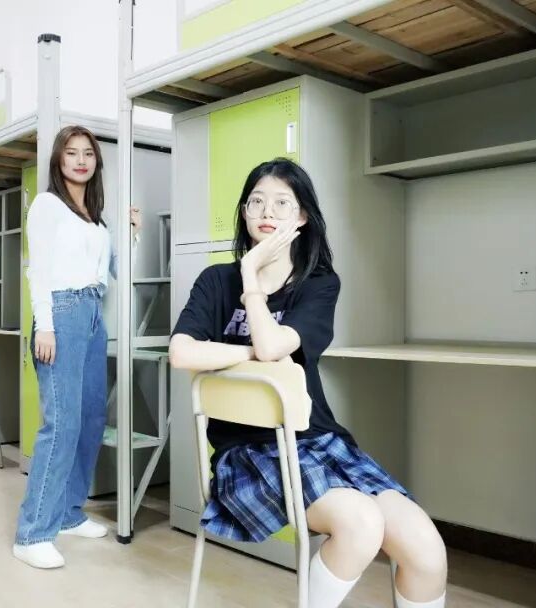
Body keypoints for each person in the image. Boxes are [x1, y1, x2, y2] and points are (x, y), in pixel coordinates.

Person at [169, 158, 447, 607]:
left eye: (282, 203)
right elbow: (183, 352)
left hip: (320, 442)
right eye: (256, 201)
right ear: (244, 212)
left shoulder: (318, 285)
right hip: (247, 455)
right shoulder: (217, 281)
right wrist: (250, 285)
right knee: (360, 524)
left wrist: (246, 349)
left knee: (426, 551)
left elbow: (273, 345)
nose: (267, 211)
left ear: (301, 217)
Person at [13, 125, 140, 569]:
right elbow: (38, 270)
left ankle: (68, 513)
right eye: (72, 153)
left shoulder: (96, 218)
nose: (81, 160)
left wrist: (131, 232)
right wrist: (45, 328)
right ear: (59, 159)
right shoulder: (47, 205)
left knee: (90, 419)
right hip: (61, 314)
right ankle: (32, 533)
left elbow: (118, 271)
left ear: (96, 162)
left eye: (88, 153)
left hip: (92, 313)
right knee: (62, 422)